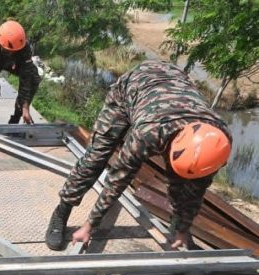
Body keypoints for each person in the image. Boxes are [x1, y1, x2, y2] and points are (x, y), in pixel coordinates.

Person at [45, 60, 232, 251]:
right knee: (95, 158)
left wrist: (184, 229)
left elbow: (197, 189)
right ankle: (62, 211)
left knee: (187, 185)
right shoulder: (149, 134)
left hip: (173, 83)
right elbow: (118, 179)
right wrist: (89, 226)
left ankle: (178, 229)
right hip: (133, 88)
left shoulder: (217, 141)